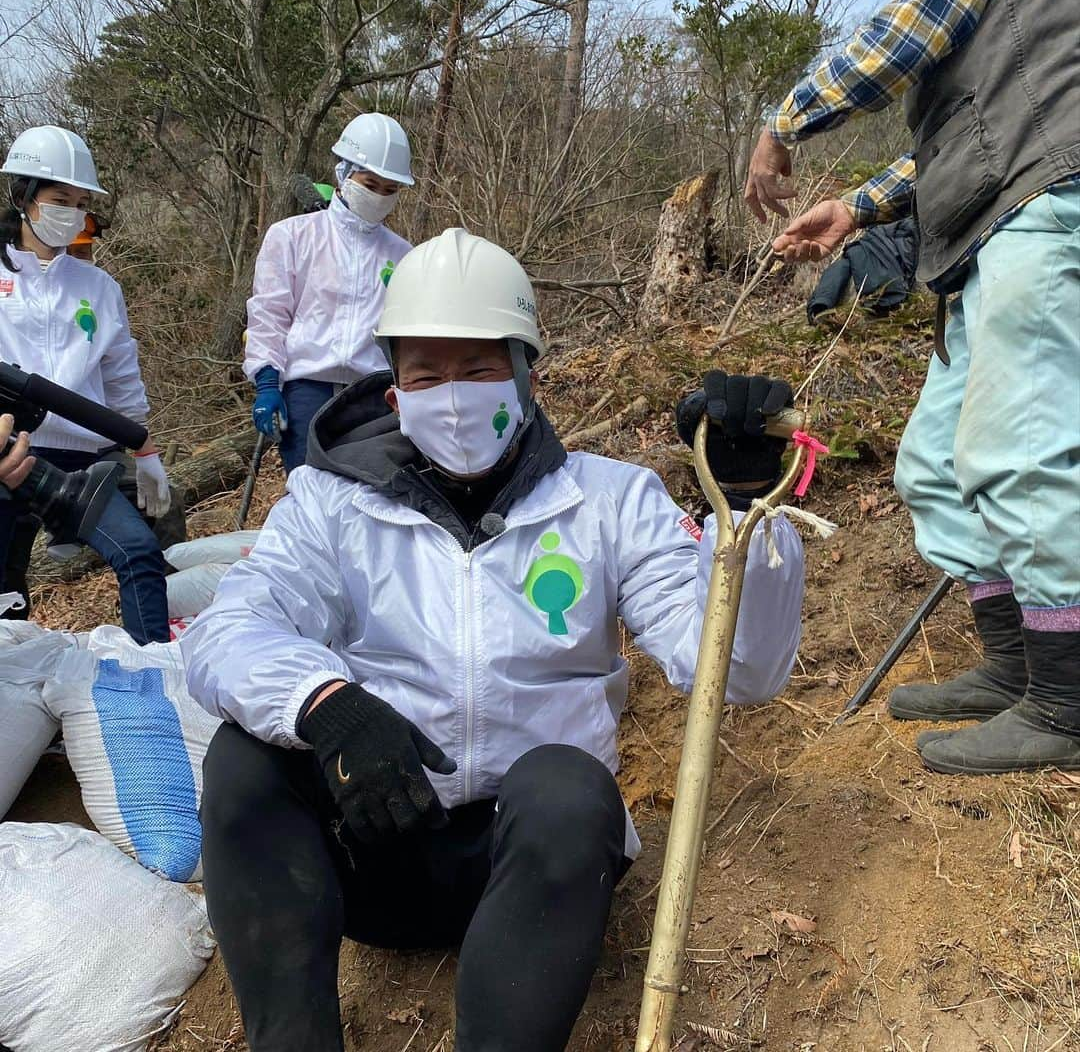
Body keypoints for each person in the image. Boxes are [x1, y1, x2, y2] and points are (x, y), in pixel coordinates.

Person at [182, 228, 807, 1052]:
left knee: (567, 784)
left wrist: (748, 513)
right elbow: (228, 628)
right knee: (243, 761)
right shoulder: (329, 504)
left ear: (527, 373)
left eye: (478, 369)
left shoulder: (609, 501)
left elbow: (742, 670)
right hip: (378, 843)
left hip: (540, 864)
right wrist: (326, 703)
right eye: (426, 373)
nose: (452, 396)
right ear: (393, 390)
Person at [744, 0, 1079, 775]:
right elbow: (973, 123)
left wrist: (784, 122)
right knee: (935, 464)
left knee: (1020, 456)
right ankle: (1016, 668)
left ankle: (1068, 702)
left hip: (1042, 203)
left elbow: (918, 25)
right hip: (991, 221)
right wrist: (859, 207)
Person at [0, 125, 171, 644]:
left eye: (79, 202)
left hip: (82, 459)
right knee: (6, 583)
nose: (70, 212)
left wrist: (143, 448)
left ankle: (162, 675)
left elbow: (120, 373)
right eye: (59, 199)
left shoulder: (97, 286)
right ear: (24, 196)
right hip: (10, 450)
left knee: (139, 552)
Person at [243, 113, 414, 474]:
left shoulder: (403, 256)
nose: (379, 196)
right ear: (343, 172)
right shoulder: (292, 236)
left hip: (375, 397)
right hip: (308, 392)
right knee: (312, 499)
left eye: (390, 190)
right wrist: (268, 384)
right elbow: (269, 316)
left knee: (370, 504)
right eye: (371, 183)